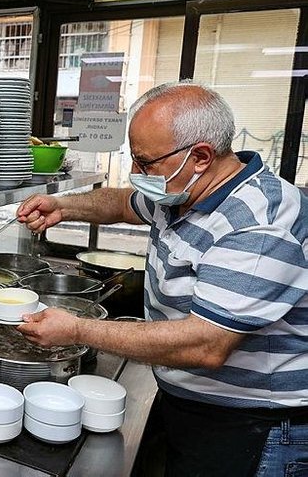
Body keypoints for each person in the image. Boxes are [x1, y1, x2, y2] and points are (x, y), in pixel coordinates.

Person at [16, 81, 307, 476]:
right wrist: (62, 207)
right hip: (195, 403)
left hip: (254, 426)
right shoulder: (185, 193)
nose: (137, 174)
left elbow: (206, 345)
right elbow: (120, 202)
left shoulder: (258, 225)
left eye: (146, 162)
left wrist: (76, 331)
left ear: (201, 156)